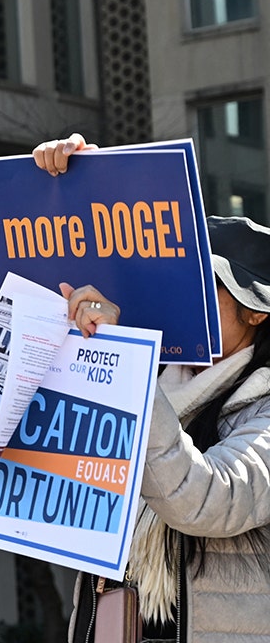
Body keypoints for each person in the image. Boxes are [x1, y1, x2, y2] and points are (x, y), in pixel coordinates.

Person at [34, 136, 270, 642]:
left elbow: (206, 498)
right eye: (179, 280)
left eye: (207, 286)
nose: (185, 297)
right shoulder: (151, 383)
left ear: (256, 311)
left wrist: (123, 366)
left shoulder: (261, 410)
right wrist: (83, 188)